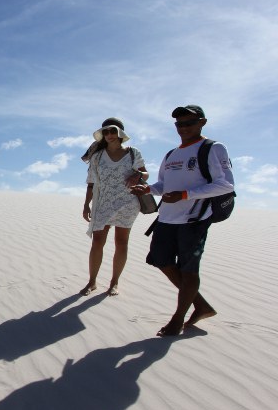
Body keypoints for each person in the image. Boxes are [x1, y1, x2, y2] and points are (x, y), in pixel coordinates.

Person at [131, 105, 234, 337]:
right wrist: (146, 188)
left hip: (195, 219)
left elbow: (226, 184)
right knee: (161, 261)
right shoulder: (171, 154)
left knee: (189, 270)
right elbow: (163, 186)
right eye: (179, 124)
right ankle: (201, 306)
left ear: (202, 122)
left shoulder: (213, 148)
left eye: (189, 122)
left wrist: (185, 195)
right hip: (167, 218)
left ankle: (178, 319)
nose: (184, 128)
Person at [80, 117, 149, 297]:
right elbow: (91, 183)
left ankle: (114, 282)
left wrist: (139, 175)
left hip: (127, 202)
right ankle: (92, 282)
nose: (109, 135)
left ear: (120, 133)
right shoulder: (97, 156)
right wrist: (86, 204)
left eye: (113, 131)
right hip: (102, 203)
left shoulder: (133, 153)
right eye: (106, 132)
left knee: (121, 242)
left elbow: (145, 173)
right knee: (97, 242)